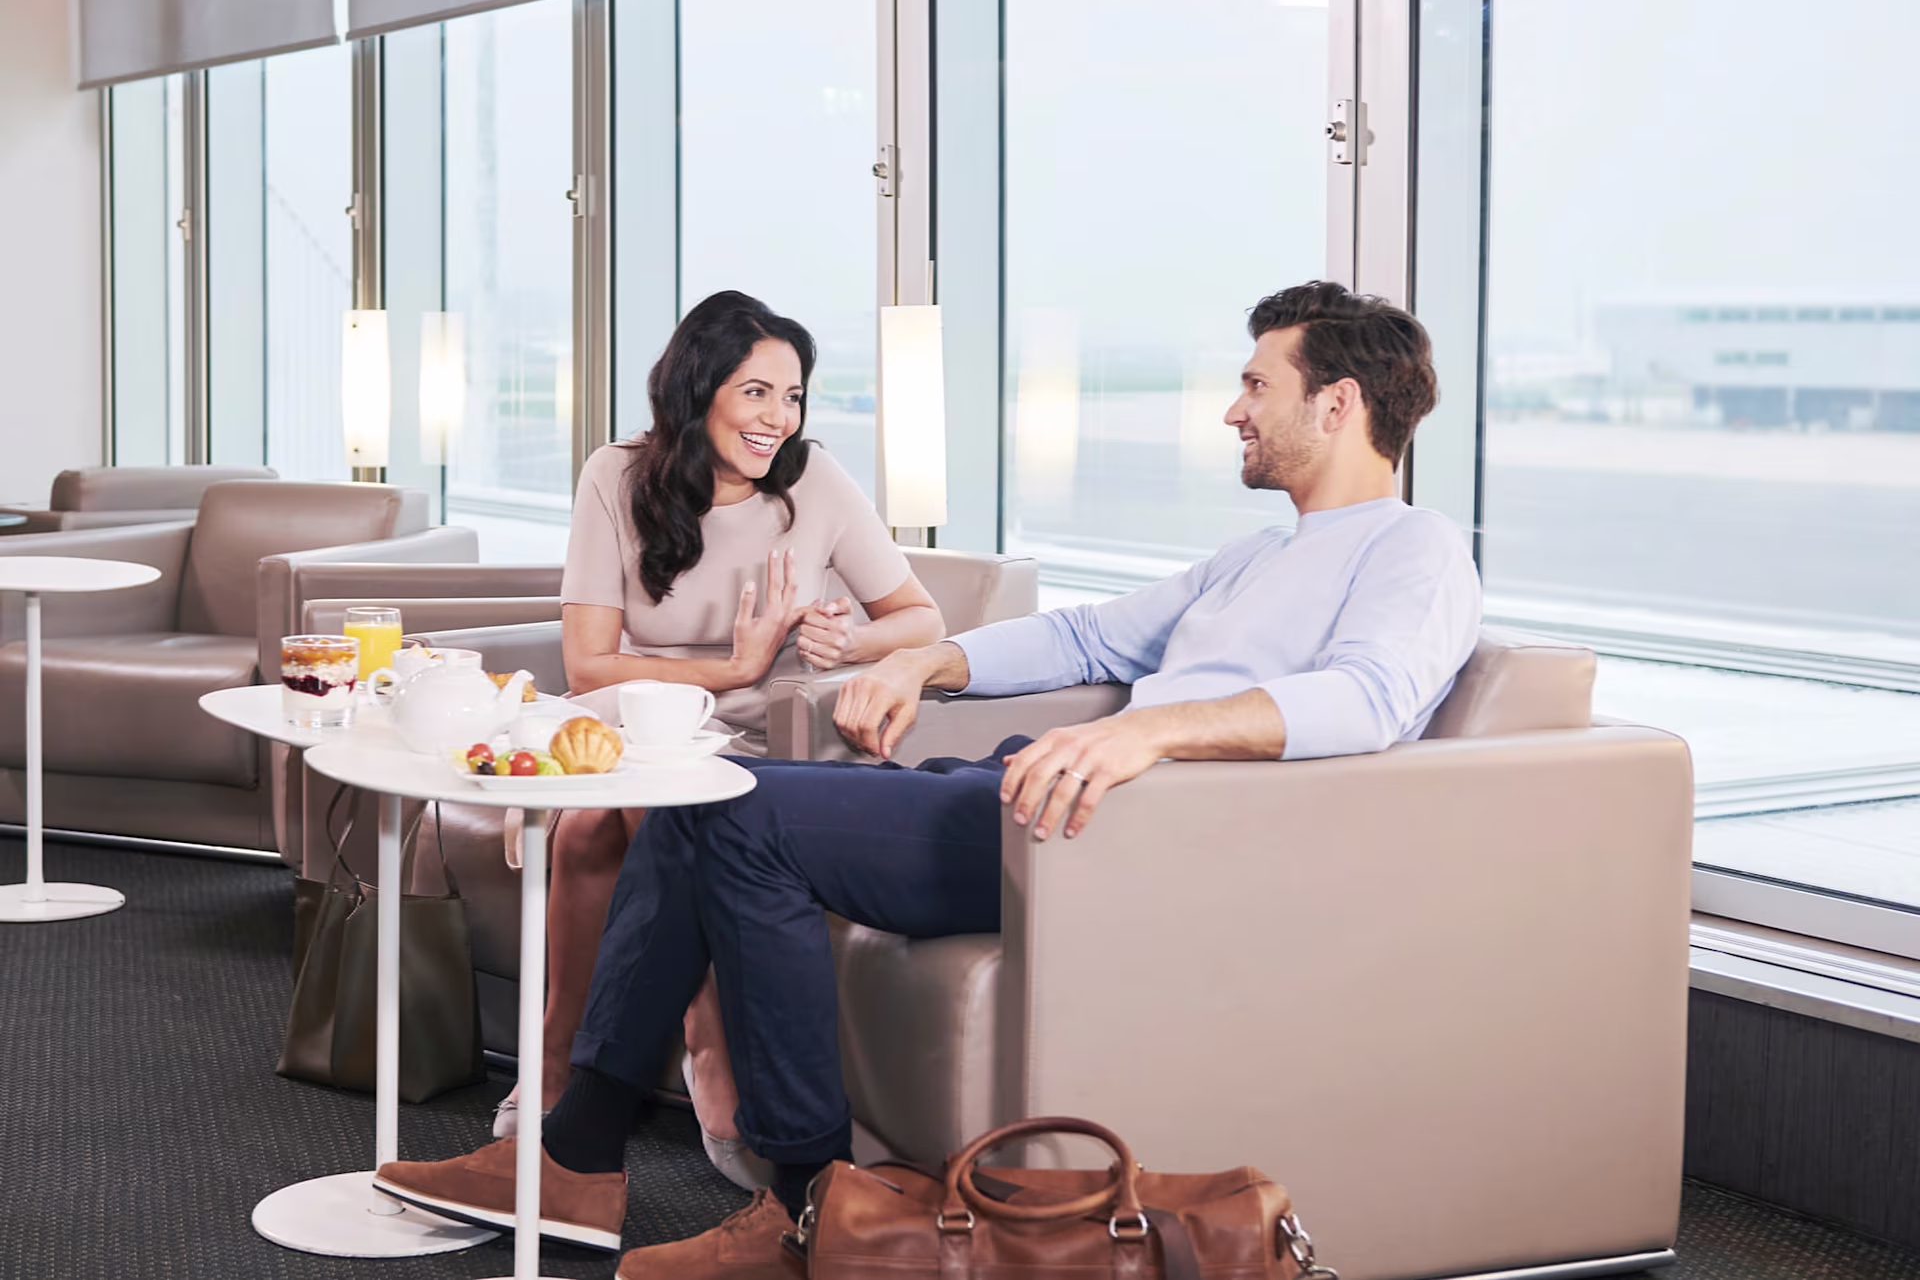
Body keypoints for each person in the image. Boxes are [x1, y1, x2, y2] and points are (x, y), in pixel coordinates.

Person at [372, 281, 1484, 1274]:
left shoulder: (1416, 549)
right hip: (1039, 794)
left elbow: (1371, 698)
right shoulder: (1260, 552)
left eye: (1257, 383)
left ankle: (792, 1202)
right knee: (702, 806)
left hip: (1125, 829)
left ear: (1337, 404)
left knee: (731, 813)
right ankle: (595, 1161)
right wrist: (926, 658)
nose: (1235, 409)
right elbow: (1093, 639)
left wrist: (1156, 735)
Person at [488, 290, 946, 1189]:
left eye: (795, 396)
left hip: (763, 735)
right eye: (757, 393)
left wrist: (846, 641)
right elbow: (587, 666)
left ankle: (578, 1079)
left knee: (609, 821)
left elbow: (921, 616)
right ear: (700, 390)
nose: (781, 418)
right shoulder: (614, 476)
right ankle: (692, 1058)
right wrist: (730, 669)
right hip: (636, 712)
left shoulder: (815, 483)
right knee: (613, 811)